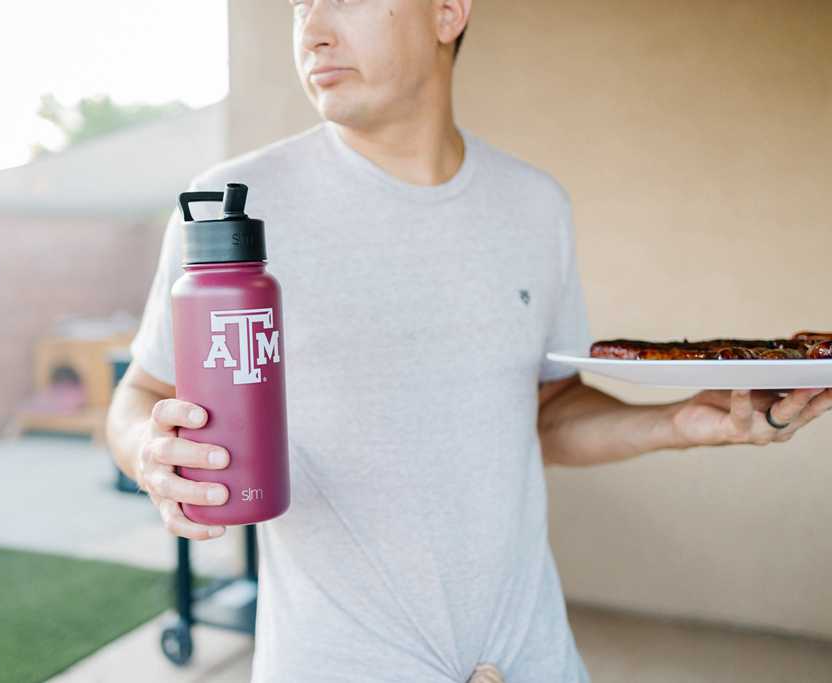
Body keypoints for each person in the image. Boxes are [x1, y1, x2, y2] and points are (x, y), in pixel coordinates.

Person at [106, 2, 832, 681]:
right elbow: (140, 392)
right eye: (301, 1)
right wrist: (149, 451)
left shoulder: (534, 204)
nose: (314, 29)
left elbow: (547, 410)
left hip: (533, 657)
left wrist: (680, 421)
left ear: (449, 10)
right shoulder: (235, 205)